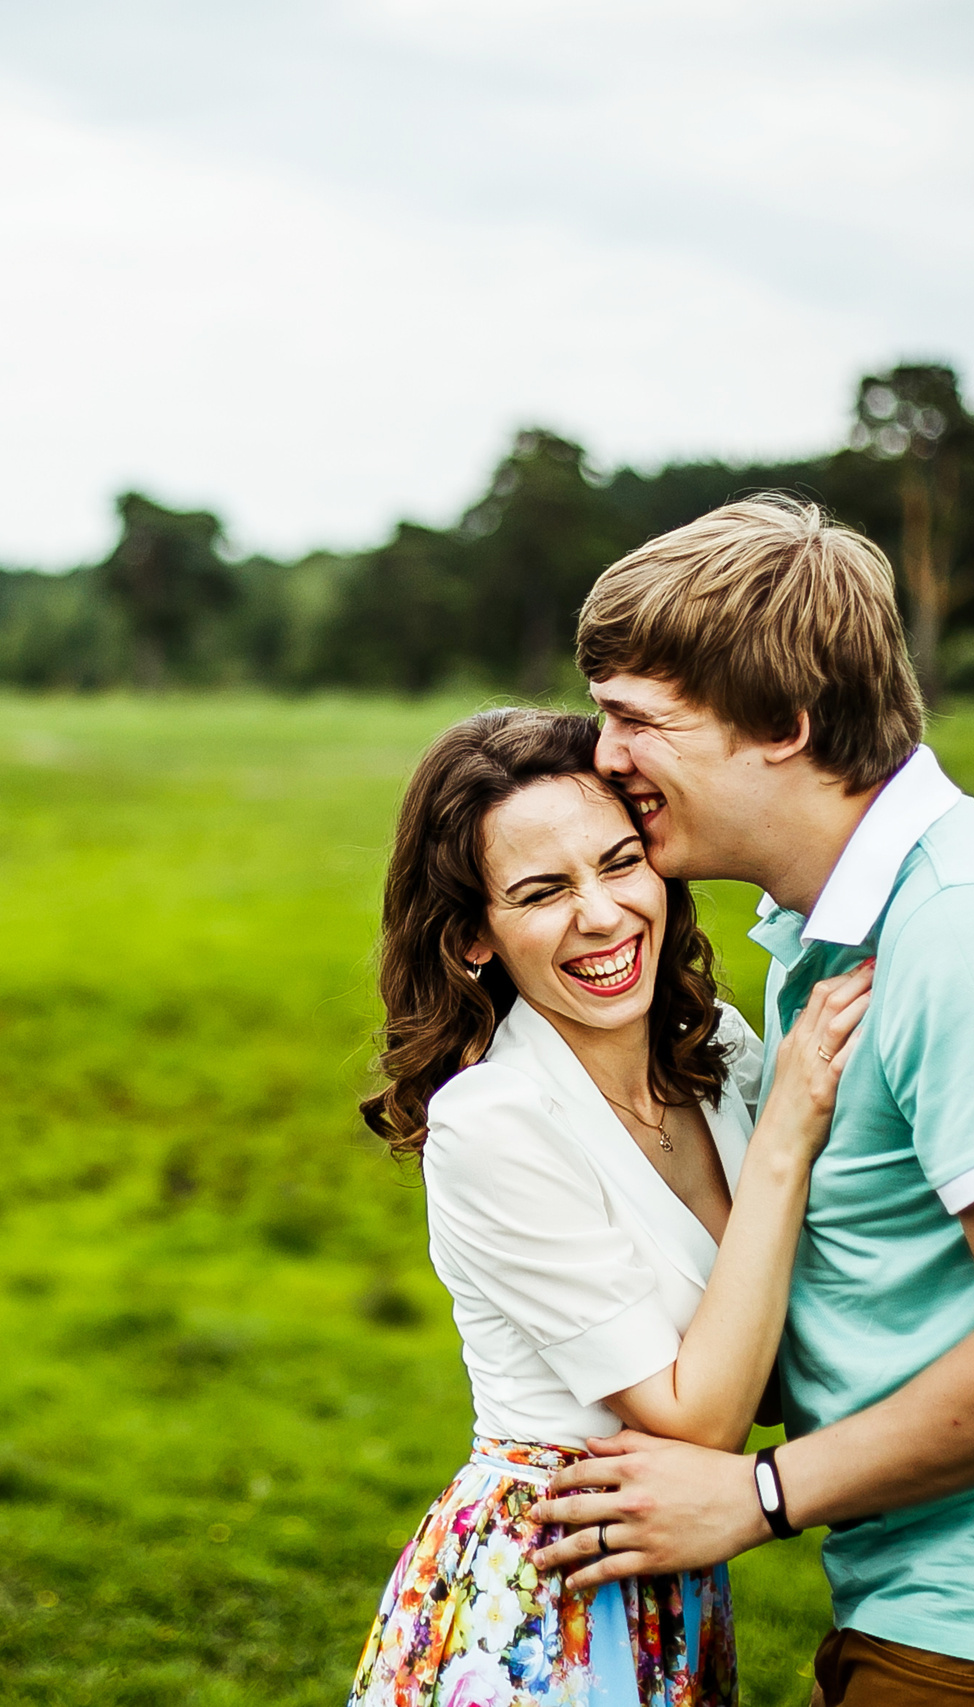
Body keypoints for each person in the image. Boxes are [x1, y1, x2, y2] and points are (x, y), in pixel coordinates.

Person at [529, 497, 974, 1706]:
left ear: (785, 725)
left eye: (637, 719)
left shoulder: (962, 936)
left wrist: (758, 1494)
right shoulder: (835, 931)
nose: (605, 756)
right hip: (941, 1614)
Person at [349, 706, 875, 1707]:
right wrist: (785, 1145)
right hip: (540, 1594)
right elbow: (704, 1416)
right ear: (471, 939)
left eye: (620, 862)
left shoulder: (717, 1054)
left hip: (672, 1579)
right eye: (542, 892)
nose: (601, 915)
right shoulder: (493, 1123)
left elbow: (773, 1362)